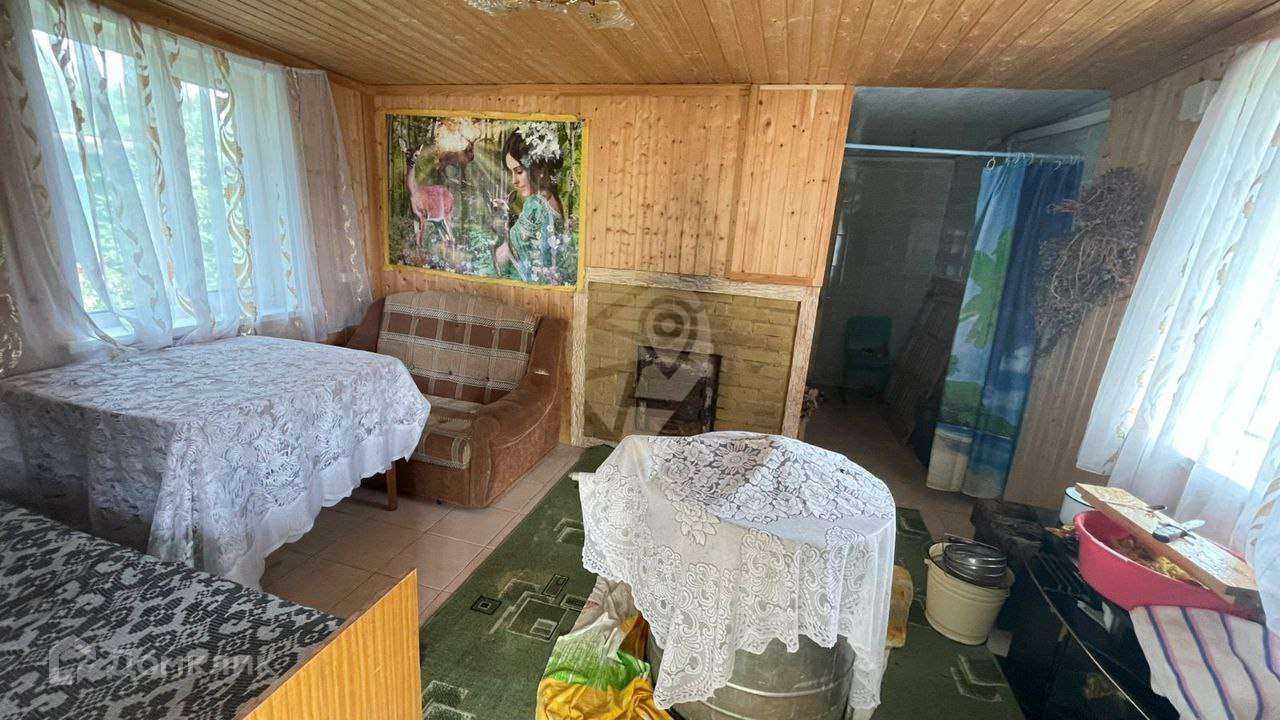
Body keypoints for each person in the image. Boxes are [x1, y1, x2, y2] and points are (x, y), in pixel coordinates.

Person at [493, 125, 575, 284]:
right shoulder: (553, 200)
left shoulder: (535, 203)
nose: (514, 181)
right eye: (511, 172)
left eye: (519, 172)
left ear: (539, 169)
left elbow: (509, 254)